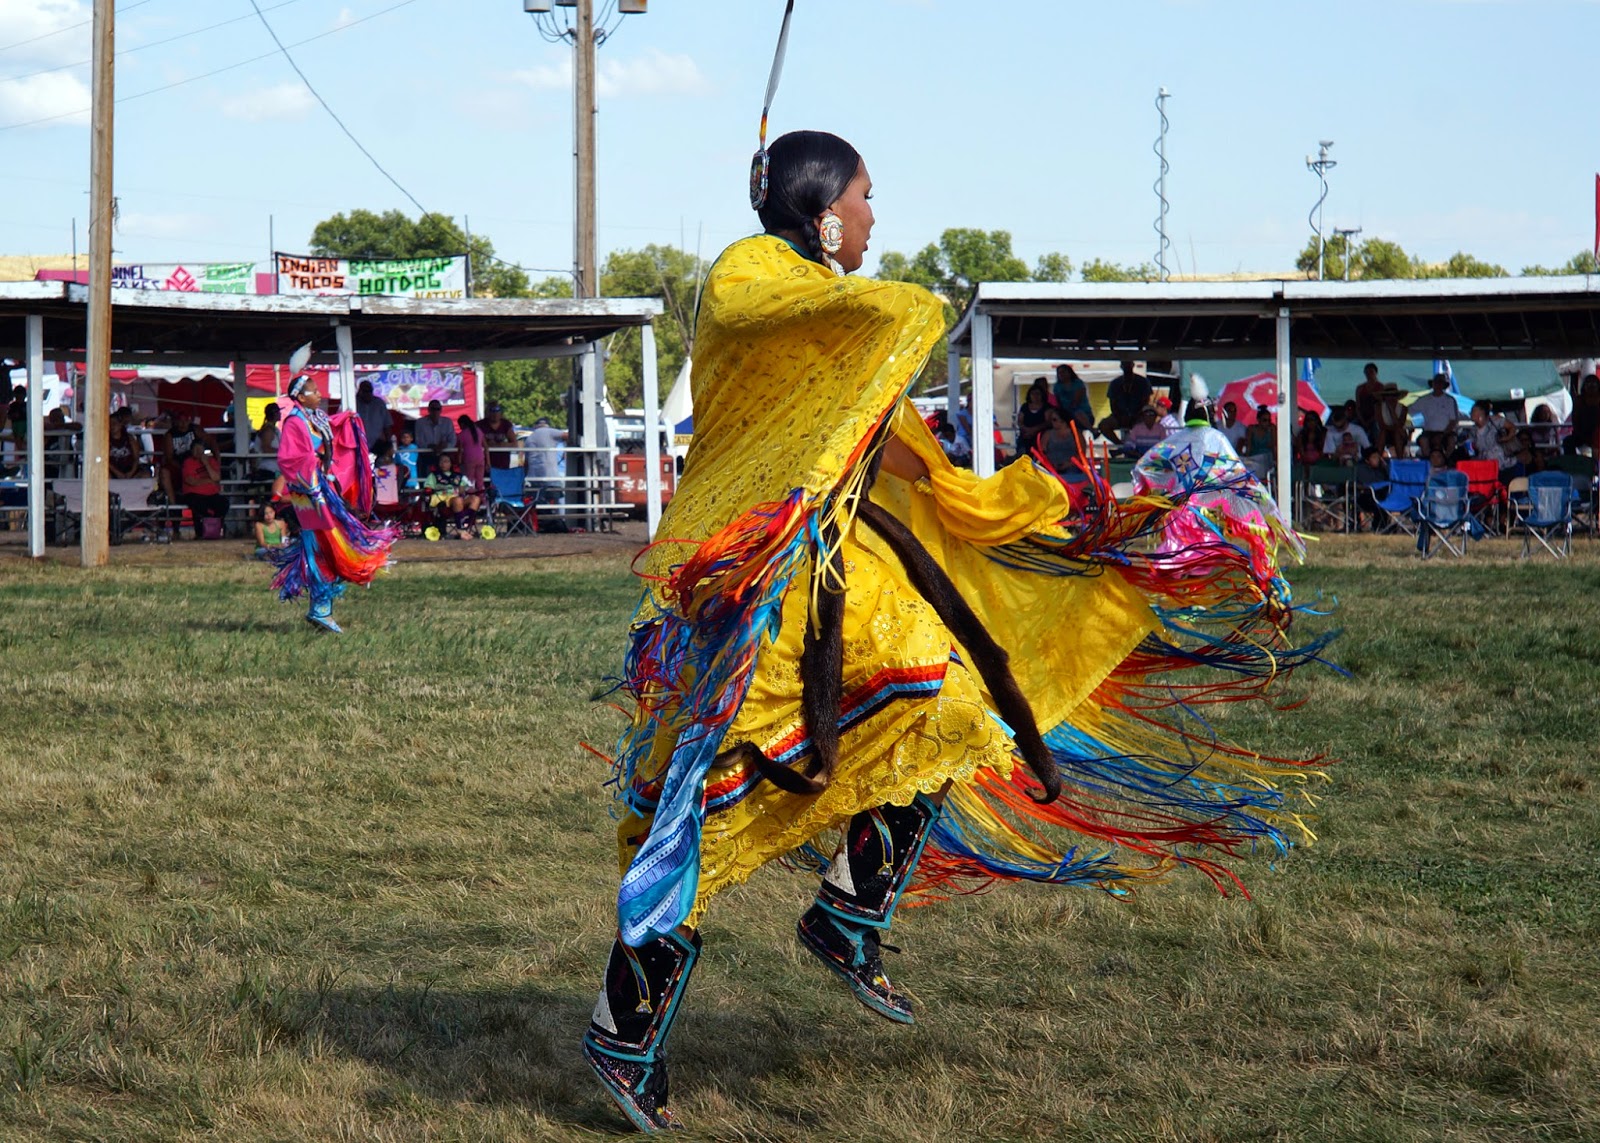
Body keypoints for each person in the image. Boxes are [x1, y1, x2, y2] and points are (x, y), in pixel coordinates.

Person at [581, 128, 1326, 1133]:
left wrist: (1054, 500)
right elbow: (795, 312)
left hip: (834, 580)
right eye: (866, 198)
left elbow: (919, 469)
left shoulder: (831, 329)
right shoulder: (750, 276)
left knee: (960, 704)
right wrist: (907, 303)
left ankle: (849, 911)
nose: (875, 219)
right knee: (711, 806)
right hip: (761, 588)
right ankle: (624, 1035)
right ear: (821, 209)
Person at [268, 373, 398, 633]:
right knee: (324, 547)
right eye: (314, 392)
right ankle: (320, 610)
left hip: (323, 490)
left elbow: (329, 431)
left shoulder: (313, 418)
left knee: (330, 545)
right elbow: (291, 459)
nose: (320, 395)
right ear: (301, 397)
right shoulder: (295, 422)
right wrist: (313, 488)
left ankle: (321, 610)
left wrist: (347, 419)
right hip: (311, 494)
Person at [422, 452, 481, 539]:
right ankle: (461, 530)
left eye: (446, 461)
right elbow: (428, 489)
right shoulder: (433, 475)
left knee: (475, 499)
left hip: (456, 498)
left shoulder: (458, 476)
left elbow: (463, 490)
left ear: (451, 463)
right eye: (441, 461)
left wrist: (463, 488)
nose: (443, 464)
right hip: (442, 499)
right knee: (458, 500)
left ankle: (465, 523)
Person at [178, 440, 228, 538]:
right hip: (194, 494)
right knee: (199, 506)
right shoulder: (188, 462)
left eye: (200, 449)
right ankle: (202, 532)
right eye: (195, 449)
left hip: (211, 493)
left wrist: (206, 464)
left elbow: (216, 478)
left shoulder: (211, 461)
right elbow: (191, 481)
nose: (197, 452)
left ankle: (216, 529)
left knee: (223, 504)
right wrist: (208, 481)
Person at [1097, 359, 1149, 445]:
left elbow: (1145, 402)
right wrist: (1119, 416)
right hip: (1119, 416)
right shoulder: (1115, 383)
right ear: (1121, 367)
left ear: (1133, 365)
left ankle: (1136, 446)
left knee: (1146, 425)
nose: (1127, 368)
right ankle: (1120, 445)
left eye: (1128, 365)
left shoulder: (1142, 381)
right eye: (1125, 366)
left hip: (1138, 416)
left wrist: (1136, 415)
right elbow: (1112, 404)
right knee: (1103, 425)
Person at [1410, 373, 1460, 456]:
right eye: (1436, 382)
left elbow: (1453, 421)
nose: (1438, 385)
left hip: (1447, 432)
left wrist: (1443, 435)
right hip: (1429, 432)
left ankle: (1446, 460)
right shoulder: (1424, 400)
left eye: (1440, 383)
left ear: (1444, 385)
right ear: (1432, 384)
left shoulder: (1450, 400)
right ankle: (1428, 461)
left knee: (1451, 441)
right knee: (1423, 441)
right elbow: (1409, 410)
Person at [524, 416, 568, 502]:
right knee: (556, 503)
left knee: (536, 506)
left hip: (533, 478)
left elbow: (526, 462)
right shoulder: (549, 431)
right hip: (550, 478)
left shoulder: (529, 438)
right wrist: (568, 449)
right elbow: (568, 436)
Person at [413, 399, 456, 478]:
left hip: (444, 455)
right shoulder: (420, 423)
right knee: (426, 482)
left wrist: (444, 445)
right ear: (428, 410)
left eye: (438, 409)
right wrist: (431, 446)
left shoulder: (448, 422)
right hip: (426, 456)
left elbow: (453, 441)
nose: (435, 411)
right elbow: (419, 442)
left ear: (441, 410)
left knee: (445, 481)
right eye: (433, 409)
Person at [1050, 365, 1094, 434]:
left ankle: (1092, 430)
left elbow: (1076, 401)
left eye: (1063, 372)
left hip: (1084, 414)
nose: (1061, 374)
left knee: (1077, 412)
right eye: (1059, 373)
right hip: (1066, 414)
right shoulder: (1057, 386)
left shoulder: (1078, 383)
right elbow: (1058, 402)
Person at [1565, 374, 1600, 456]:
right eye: (1588, 384)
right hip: (1582, 434)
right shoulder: (1579, 400)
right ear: (1584, 386)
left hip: (1598, 433)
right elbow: (1575, 421)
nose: (1591, 387)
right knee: (1567, 442)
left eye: (1594, 385)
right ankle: (1573, 464)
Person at [479, 403, 519, 472]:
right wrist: (487, 444)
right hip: (485, 461)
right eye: (492, 411)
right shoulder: (480, 425)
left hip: (502, 461)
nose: (495, 414)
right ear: (487, 412)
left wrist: (502, 445)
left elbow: (515, 444)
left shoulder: (506, 425)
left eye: (497, 410)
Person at [355, 379, 391, 453]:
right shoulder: (353, 403)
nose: (367, 394)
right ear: (360, 391)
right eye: (365, 391)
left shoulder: (379, 403)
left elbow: (387, 424)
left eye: (369, 391)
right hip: (357, 442)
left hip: (377, 444)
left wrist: (388, 443)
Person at [1015, 379, 1050, 455]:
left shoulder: (1047, 407)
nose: (1035, 396)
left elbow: (1047, 422)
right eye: (1033, 394)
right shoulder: (1025, 406)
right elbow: (1020, 421)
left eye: (1038, 394)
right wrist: (1025, 429)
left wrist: (1034, 429)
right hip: (1025, 436)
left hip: (1041, 437)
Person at [107, 409, 143, 480]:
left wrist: (131, 472)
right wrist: (117, 473)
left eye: (114, 423)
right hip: (113, 471)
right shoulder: (105, 440)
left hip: (129, 469)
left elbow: (136, 458)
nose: (112, 426)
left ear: (120, 425)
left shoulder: (130, 438)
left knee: (145, 476)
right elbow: (105, 460)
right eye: (110, 424)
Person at [1354, 362, 1385, 443]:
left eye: (1371, 372)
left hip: (1376, 417)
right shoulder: (1360, 388)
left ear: (1376, 373)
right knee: (1352, 427)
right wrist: (1362, 420)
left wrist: (1371, 420)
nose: (1369, 375)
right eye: (1366, 372)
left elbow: (1382, 408)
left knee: (1376, 428)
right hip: (1362, 417)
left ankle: (1378, 449)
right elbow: (1358, 407)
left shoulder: (1381, 388)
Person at [456, 414, 487, 493]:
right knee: (480, 481)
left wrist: (458, 462)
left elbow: (459, 450)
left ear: (462, 424)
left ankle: (471, 497)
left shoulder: (462, 434)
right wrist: (488, 462)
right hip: (480, 458)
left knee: (469, 481)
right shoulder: (478, 431)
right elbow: (486, 447)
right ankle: (482, 498)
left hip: (469, 458)